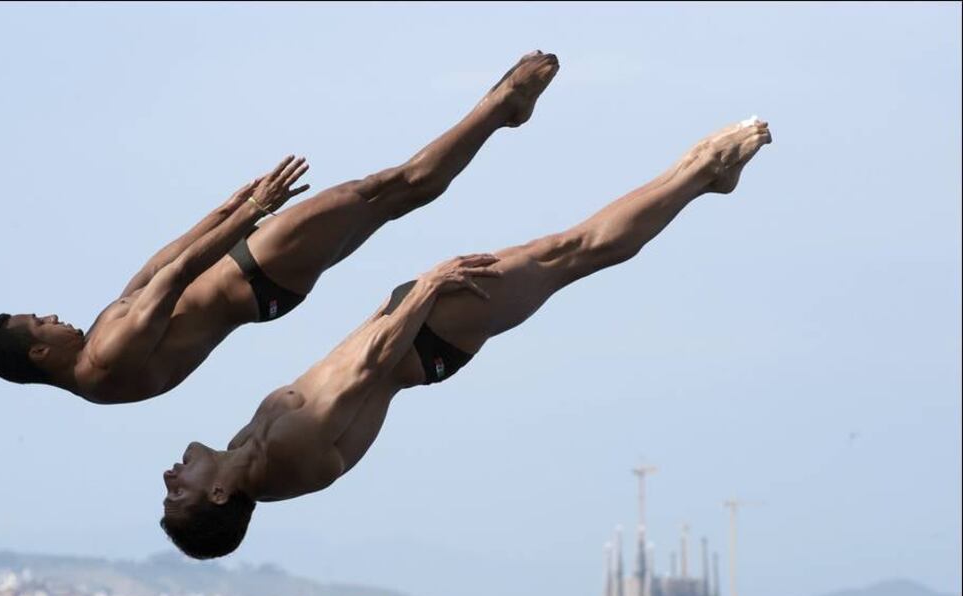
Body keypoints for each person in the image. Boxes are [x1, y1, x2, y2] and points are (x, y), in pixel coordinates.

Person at [159, 117, 773, 559]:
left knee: (561, 252)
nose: (168, 479)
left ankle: (695, 176)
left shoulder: (247, 448)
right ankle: (701, 174)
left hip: (411, 329)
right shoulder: (283, 457)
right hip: (422, 337)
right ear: (218, 493)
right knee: (570, 254)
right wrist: (429, 287)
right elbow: (369, 367)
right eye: (176, 496)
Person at [0, 51, 561, 404]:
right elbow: (178, 273)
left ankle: (499, 110)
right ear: (37, 352)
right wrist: (254, 211)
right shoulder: (105, 354)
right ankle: (503, 104)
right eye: (42, 323)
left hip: (257, 282)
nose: (54, 316)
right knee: (385, 189)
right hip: (254, 270)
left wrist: (224, 211)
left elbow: (155, 268)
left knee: (392, 196)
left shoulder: (98, 367)